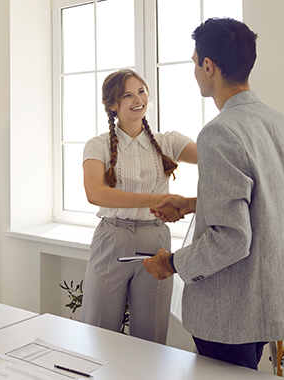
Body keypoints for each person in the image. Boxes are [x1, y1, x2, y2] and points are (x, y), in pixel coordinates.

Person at [142, 18, 284, 369]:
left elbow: (231, 239)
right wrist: (193, 204)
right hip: (272, 297)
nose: (194, 71)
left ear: (209, 66)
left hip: (232, 311)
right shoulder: (279, 122)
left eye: (194, 63)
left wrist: (171, 263)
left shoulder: (220, 133)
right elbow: (268, 201)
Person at [80, 69, 197, 344]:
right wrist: (154, 200)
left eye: (141, 91)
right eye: (127, 95)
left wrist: (266, 132)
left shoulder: (169, 141)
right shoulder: (97, 146)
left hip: (155, 239)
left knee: (152, 339)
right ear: (112, 105)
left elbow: (217, 155)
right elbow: (95, 193)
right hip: (112, 238)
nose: (138, 99)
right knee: (98, 334)